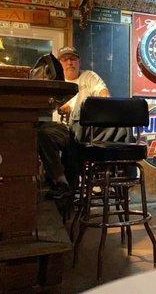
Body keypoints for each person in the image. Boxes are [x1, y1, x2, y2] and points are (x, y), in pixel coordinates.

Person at [38, 46, 109, 198]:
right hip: (62, 128)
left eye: (73, 59)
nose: (69, 62)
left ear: (79, 61)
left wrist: (82, 109)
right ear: (59, 63)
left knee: (74, 143)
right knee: (41, 133)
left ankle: (72, 189)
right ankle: (61, 181)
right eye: (65, 59)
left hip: (87, 131)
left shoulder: (89, 76)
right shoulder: (54, 81)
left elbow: (105, 96)